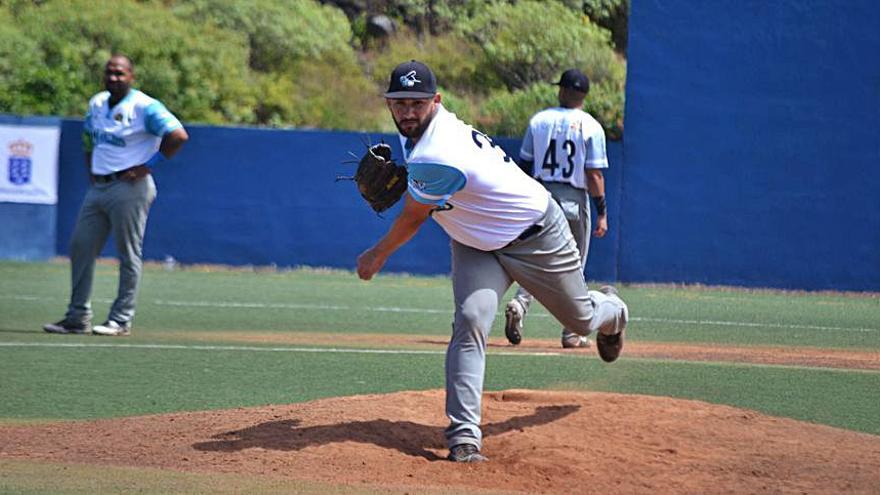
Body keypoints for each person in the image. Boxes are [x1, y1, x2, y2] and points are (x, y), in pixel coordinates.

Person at [356, 61, 629, 463]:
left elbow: (413, 217)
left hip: (535, 235)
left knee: (580, 321)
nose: (408, 111)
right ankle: (464, 438)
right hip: (474, 244)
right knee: (470, 319)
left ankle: (615, 312)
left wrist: (375, 255)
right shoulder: (417, 135)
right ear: (388, 104)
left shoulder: (437, 150)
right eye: (399, 103)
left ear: (436, 101)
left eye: (417, 102)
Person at [43, 54, 188, 337]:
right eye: (109, 72)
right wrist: (92, 171)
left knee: (128, 254)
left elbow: (178, 135)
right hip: (99, 186)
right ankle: (77, 316)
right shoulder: (96, 103)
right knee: (81, 246)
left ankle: (121, 319)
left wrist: (148, 166)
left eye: (120, 73)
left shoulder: (144, 106)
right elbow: (88, 139)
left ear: (131, 76)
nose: (114, 78)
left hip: (130, 188)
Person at [504, 68, 611, 349]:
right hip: (574, 199)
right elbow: (594, 175)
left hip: (542, 197)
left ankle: (520, 304)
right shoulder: (590, 126)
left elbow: (524, 166)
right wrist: (602, 211)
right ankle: (572, 331)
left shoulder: (540, 121)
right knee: (574, 265)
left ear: (562, 91)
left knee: (538, 260)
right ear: (584, 96)